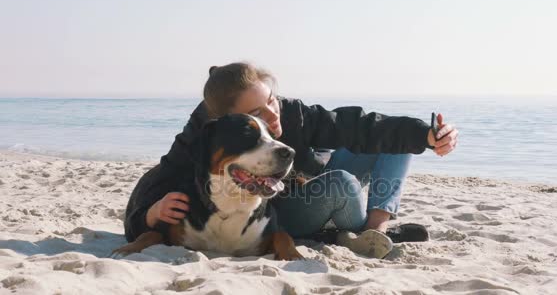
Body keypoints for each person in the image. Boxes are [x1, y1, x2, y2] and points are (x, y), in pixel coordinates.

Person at [124, 62, 459, 258]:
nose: (272, 115)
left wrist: (427, 136)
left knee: (392, 144)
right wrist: (149, 213)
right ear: (230, 121)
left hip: (309, 181)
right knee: (342, 182)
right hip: (279, 207)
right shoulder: (206, 135)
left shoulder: (293, 113)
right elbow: (160, 180)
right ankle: (353, 232)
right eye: (256, 114)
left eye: (271, 100)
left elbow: (358, 127)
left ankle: (376, 229)